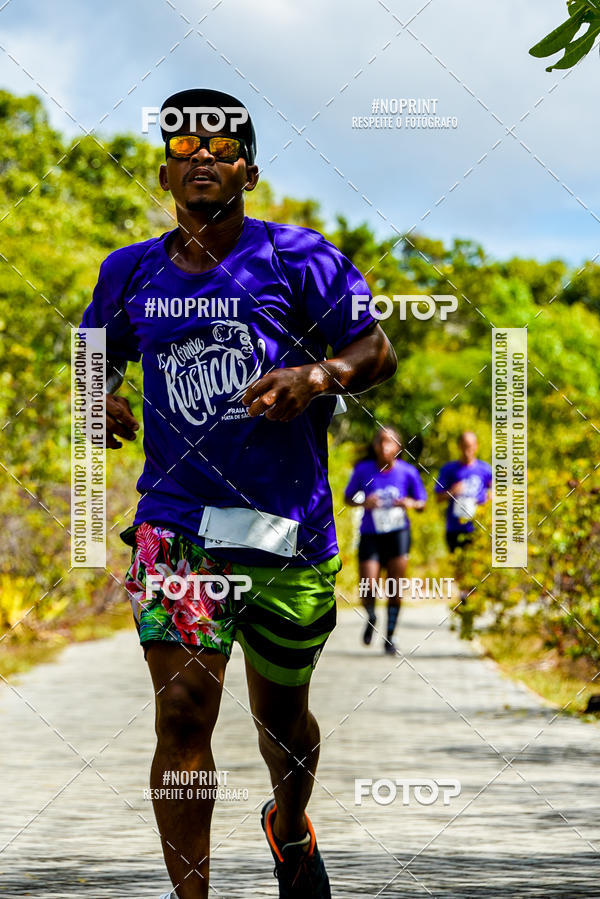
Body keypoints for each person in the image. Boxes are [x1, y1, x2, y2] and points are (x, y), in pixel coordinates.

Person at [79, 88, 396, 899]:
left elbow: (376, 347)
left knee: (281, 726)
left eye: (223, 149)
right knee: (183, 710)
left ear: (249, 170)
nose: (204, 160)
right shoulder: (129, 273)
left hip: (287, 530)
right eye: (185, 150)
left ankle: (289, 825)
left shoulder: (299, 258)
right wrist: (97, 398)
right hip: (176, 526)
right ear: (165, 174)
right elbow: (91, 361)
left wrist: (317, 374)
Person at [344, 427, 426, 655]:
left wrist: (409, 503)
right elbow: (347, 498)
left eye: (389, 442)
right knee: (368, 583)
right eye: (379, 442)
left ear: (398, 448)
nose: (383, 447)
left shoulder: (408, 472)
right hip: (371, 533)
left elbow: (422, 502)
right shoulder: (363, 470)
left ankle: (390, 636)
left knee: (395, 586)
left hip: (398, 533)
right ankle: (371, 617)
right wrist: (364, 502)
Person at [435, 431, 492, 555]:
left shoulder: (485, 469)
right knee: (458, 568)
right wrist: (452, 492)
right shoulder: (449, 469)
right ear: (459, 446)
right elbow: (438, 498)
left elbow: (497, 491)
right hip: (455, 528)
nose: (468, 450)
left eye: (470, 446)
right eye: (465, 446)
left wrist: (489, 498)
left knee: (478, 567)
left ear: (476, 446)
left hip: (478, 528)